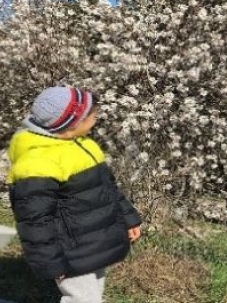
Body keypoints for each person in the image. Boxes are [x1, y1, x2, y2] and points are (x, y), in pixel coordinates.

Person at [7, 86, 142, 303]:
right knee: (83, 299)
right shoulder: (37, 162)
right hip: (69, 250)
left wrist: (129, 218)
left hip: (92, 244)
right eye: (92, 115)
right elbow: (35, 220)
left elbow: (107, 188)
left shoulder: (83, 146)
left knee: (91, 297)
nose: (96, 118)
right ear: (71, 123)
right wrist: (49, 262)